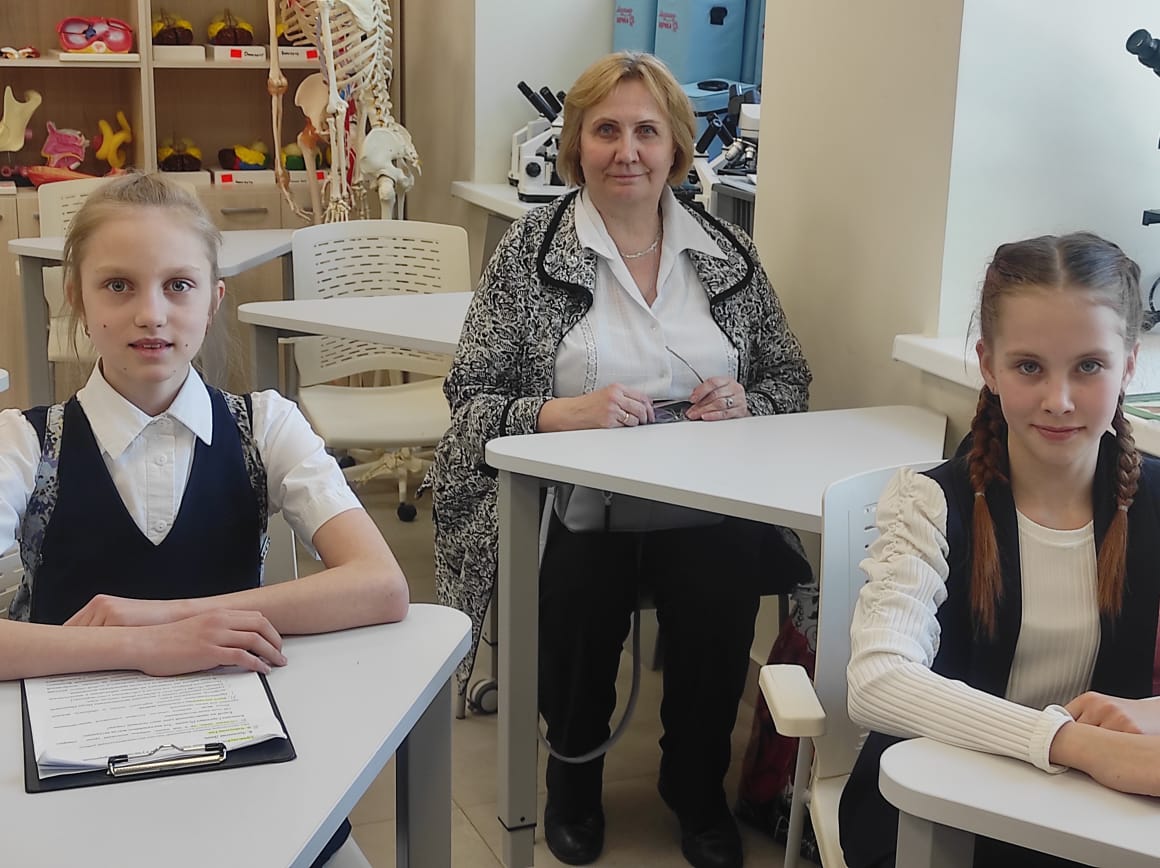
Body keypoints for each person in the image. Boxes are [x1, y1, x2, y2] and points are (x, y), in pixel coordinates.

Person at [429, 52, 811, 868]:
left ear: (676, 147)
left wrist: (747, 402)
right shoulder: (529, 253)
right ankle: (572, 780)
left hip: (704, 501)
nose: (627, 151)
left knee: (722, 589)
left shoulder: (728, 253)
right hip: (568, 499)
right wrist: (560, 414)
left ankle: (695, 786)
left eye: (647, 131)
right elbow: (469, 399)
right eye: (606, 130)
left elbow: (790, 380)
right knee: (574, 592)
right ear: (576, 145)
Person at [0, 173, 409, 675]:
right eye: (118, 286)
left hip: (234, 712)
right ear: (79, 300)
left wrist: (168, 618)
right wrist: (145, 646)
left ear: (213, 301)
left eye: (178, 286)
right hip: (69, 718)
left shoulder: (266, 427)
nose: (151, 314)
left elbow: (381, 585)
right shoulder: (25, 443)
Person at [839, 231, 1160, 868]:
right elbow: (876, 682)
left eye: (1089, 367)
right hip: (936, 815)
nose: (1059, 401)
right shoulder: (929, 503)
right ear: (988, 365)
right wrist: (1074, 743)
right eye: (1029, 366)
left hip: (1090, 815)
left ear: (1128, 365)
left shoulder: (1153, 498)